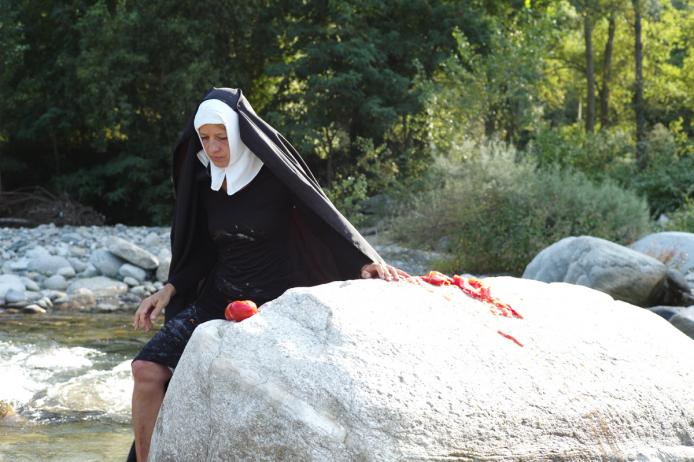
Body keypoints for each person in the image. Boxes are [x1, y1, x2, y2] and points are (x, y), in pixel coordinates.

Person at [128, 88, 407, 461]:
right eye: (205, 138)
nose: (213, 148)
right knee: (145, 368)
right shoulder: (203, 180)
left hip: (276, 300)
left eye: (221, 137)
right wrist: (170, 288)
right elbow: (203, 249)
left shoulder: (273, 176)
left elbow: (321, 218)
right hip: (218, 297)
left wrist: (362, 260)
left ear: (239, 132)